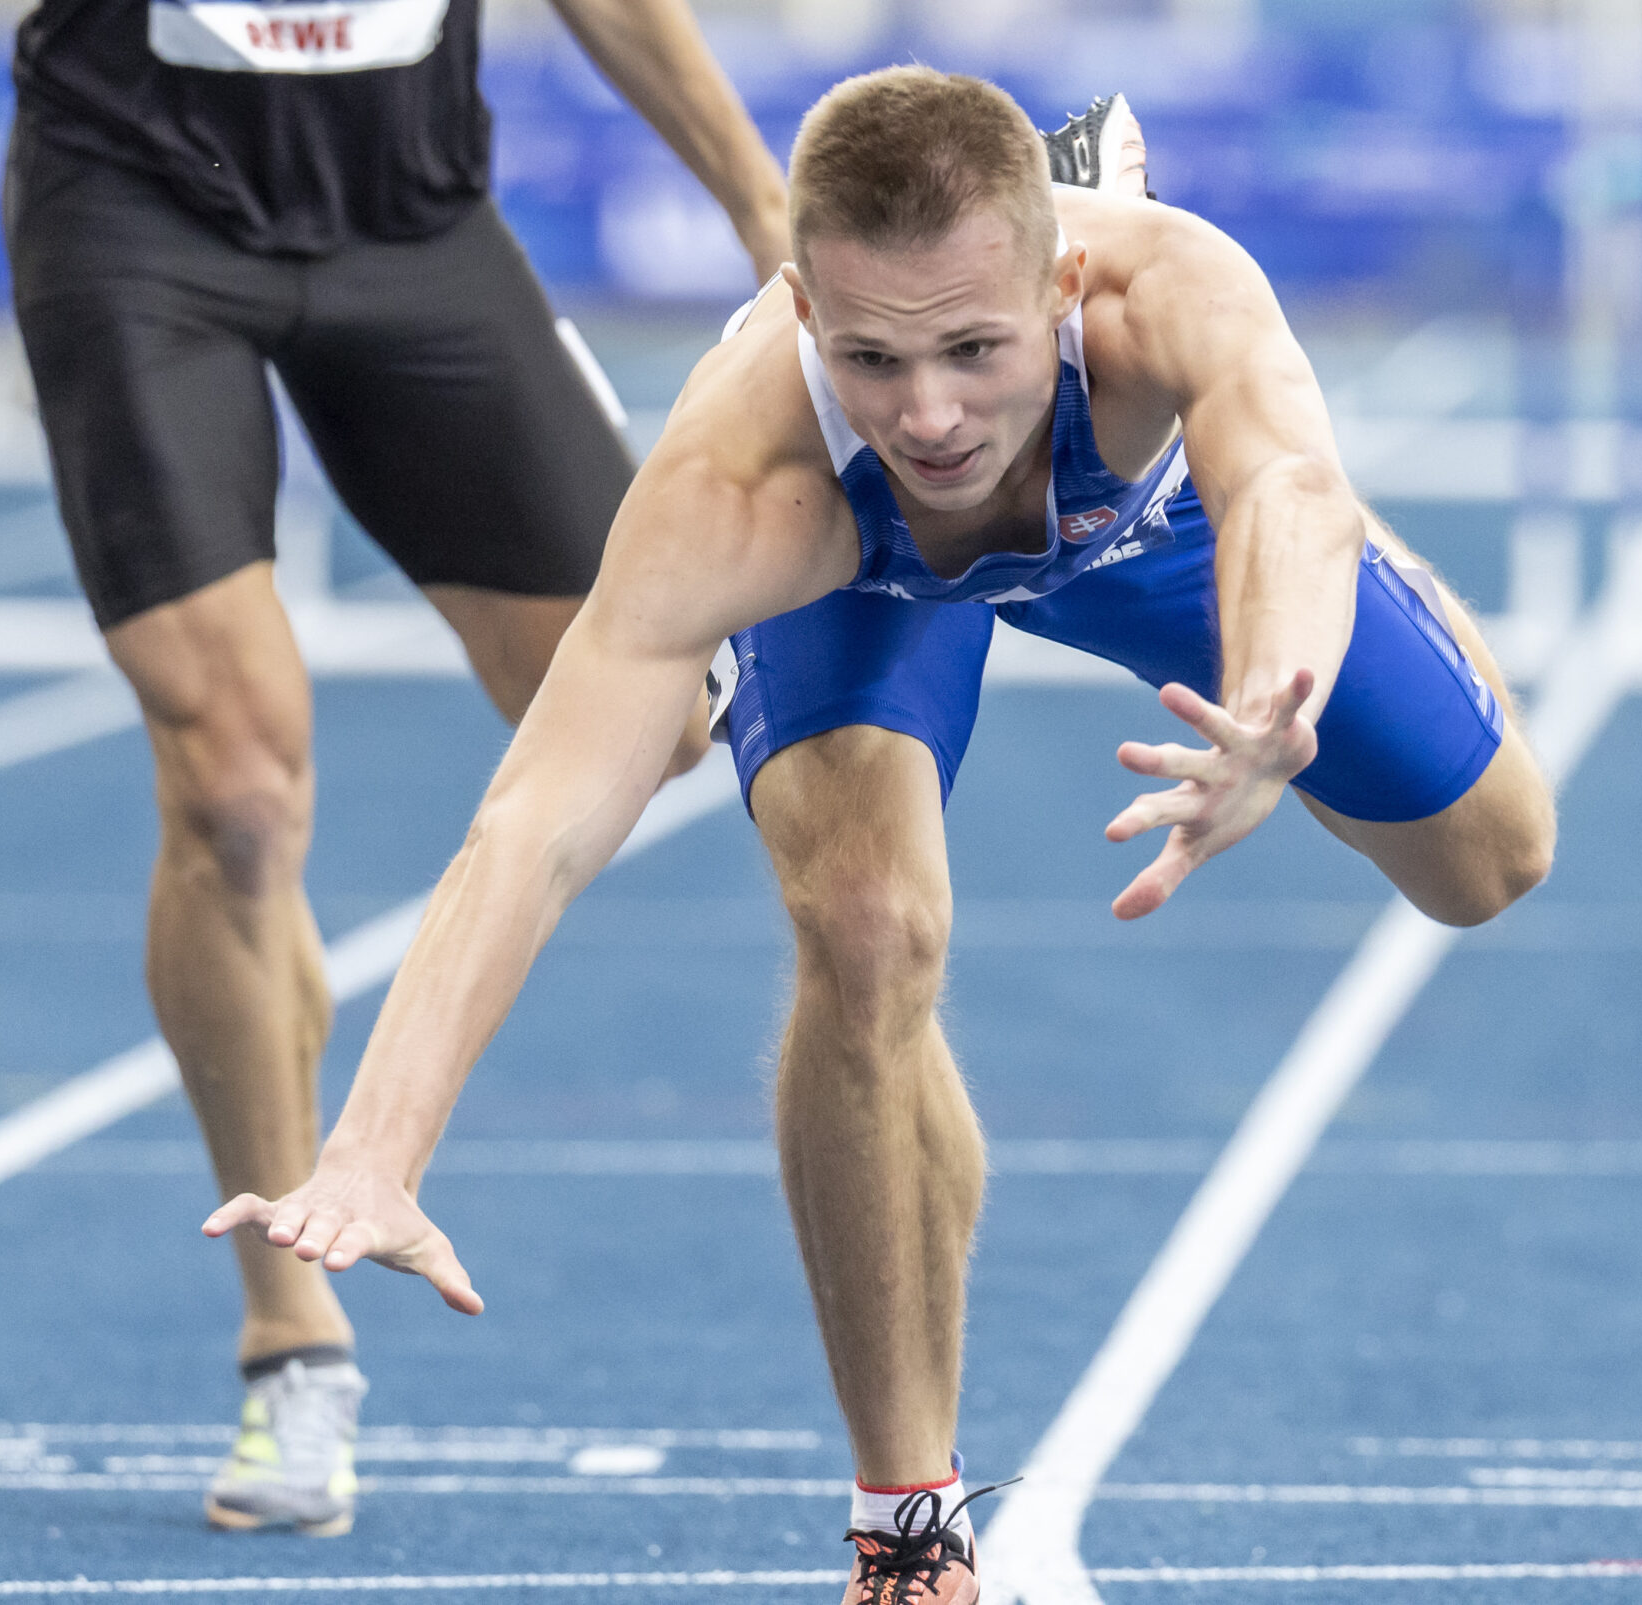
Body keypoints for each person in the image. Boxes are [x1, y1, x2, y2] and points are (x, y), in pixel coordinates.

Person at [205, 65, 1556, 1599]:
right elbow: (532, 828)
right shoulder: (742, 472)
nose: (927, 414)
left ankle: (1383, 597)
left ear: (1059, 283)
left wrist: (1275, 706)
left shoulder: (1166, 296)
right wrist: (376, 1152)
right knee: (865, 926)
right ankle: (907, 1520)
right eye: (870, 356)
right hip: (858, 566)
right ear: (802, 308)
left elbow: (1292, 489)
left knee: (1489, 863)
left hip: (1149, 517)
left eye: (975, 349)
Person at [5, 0, 790, 1537]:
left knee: (662, 718)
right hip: (136, 192)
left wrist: (763, 209)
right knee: (237, 793)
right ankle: (291, 1334)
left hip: (409, 208)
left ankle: (284, 1016)